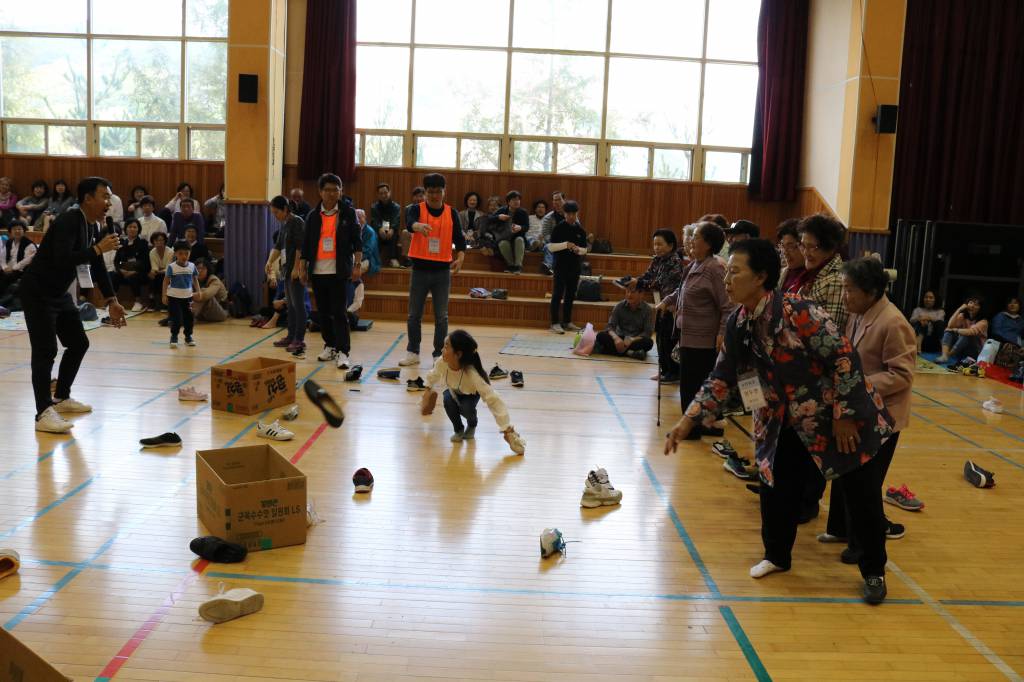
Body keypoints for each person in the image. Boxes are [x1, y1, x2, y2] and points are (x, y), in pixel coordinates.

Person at [664, 239, 895, 604]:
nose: (727, 280)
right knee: (776, 489)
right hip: (779, 420)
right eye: (727, 272)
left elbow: (844, 358)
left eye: (735, 272)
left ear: (761, 277)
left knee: (860, 497)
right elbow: (721, 377)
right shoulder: (740, 322)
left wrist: (846, 415)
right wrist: (688, 421)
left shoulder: (799, 311)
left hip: (835, 420)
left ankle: (874, 572)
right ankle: (776, 556)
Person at [822, 257, 917, 553]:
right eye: (844, 288)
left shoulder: (893, 322)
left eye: (850, 290)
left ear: (872, 290)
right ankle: (840, 529)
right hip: (857, 410)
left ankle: (861, 546)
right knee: (846, 471)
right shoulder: (858, 313)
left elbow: (902, 375)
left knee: (866, 484)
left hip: (883, 416)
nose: (845, 296)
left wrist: (857, 384)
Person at [20, 177, 127, 433]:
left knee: (79, 343)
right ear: (87, 198)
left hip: (58, 294)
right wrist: (97, 250)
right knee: (45, 351)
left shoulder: (91, 226)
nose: (108, 202)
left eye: (110, 197)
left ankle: (62, 397)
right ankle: (43, 412)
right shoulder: (69, 220)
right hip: (38, 292)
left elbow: (97, 264)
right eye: (104, 196)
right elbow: (62, 259)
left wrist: (112, 300)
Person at [660, 222, 733, 437]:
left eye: (696, 237)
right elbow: (681, 291)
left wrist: (721, 333)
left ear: (709, 244)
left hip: (705, 338)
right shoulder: (693, 265)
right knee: (690, 383)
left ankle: (693, 428)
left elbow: (728, 305)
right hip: (688, 335)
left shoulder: (715, 268)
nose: (691, 241)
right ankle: (700, 425)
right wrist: (666, 301)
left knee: (696, 385)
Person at [418, 329, 525, 454]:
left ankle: (472, 424)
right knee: (447, 400)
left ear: (458, 354)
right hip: (453, 391)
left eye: (446, 347)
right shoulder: (442, 362)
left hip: (471, 395)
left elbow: (493, 399)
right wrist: (427, 390)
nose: (442, 350)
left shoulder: (472, 374)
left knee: (466, 408)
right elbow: (434, 374)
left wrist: (507, 429)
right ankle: (458, 430)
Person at [398, 173, 466, 366]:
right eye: (430, 192)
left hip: (442, 272)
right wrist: (418, 226)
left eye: (438, 191)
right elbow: (410, 223)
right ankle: (413, 351)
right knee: (414, 315)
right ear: (425, 192)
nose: (434, 195)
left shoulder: (452, 213)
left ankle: (439, 353)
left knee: (441, 316)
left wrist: (460, 258)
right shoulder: (415, 209)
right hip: (419, 270)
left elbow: (460, 241)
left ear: (444, 192)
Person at [296, 173, 362, 369]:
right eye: (327, 190)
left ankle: (343, 351)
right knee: (323, 312)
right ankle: (330, 344)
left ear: (341, 191)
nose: (332, 193)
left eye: (335, 189)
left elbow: (357, 241)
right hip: (318, 271)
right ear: (320, 192)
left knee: (339, 312)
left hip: (339, 271)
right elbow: (306, 245)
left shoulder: (349, 213)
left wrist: (357, 265)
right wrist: (302, 268)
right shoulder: (313, 216)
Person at [622, 229, 684, 382]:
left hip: (672, 307)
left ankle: (674, 372)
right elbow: (648, 276)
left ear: (670, 245)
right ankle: (664, 370)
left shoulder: (675, 261)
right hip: (659, 304)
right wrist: (634, 281)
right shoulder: (657, 259)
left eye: (660, 244)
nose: (656, 247)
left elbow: (660, 283)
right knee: (660, 339)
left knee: (669, 339)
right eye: (655, 244)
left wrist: (640, 283)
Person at [794, 213, 848, 330]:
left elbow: (833, 332)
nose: (806, 253)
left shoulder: (837, 281)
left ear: (830, 249)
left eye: (812, 247)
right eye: (803, 245)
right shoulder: (812, 274)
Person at [268, 195, 307, 354]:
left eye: (276, 212)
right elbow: (278, 246)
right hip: (286, 269)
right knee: (290, 306)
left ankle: (299, 339)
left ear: (285, 209)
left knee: (298, 305)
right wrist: (269, 262)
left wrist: (297, 268)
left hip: (295, 270)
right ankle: (290, 336)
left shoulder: (297, 222)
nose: (275, 216)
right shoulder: (284, 224)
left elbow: (300, 247)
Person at [548, 200, 588, 334]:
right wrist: (566, 245)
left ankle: (567, 321)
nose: (571, 216)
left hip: (575, 266)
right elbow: (551, 247)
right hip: (560, 266)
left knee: (570, 295)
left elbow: (585, 250)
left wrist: (578, 250)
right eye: (569, 214)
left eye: (574, 214)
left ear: (577, 214)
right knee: (557, 294)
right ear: (564, 214)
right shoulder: (558, 228)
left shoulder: (580, 230)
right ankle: (554, 323)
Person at [595, 288, 655, 358]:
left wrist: (632, 339)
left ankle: (607, 351)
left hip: (635, 340)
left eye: (633, 292)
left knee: (648, 342)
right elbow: (609, 326)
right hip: (620, 338)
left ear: (641, 294)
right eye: (627, 292)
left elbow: (647, 332)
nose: (629, 295)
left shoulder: (647, 310)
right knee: (600, 335)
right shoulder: (619, 306)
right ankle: (630, 353)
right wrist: (616, 338)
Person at [162, 240, 201, 348]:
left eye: (186, 253)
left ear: (190, 253)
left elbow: (195, 279)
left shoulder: (192, 266)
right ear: (175, 254)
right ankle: (174, 336)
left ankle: (188, 337)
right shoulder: (172, 267)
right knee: (176, 318)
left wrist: (198, 291)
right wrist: (164, 295)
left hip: (188, 297)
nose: (184, 256)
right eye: (180, 253)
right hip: (174, 297)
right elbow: (165, 281)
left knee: (189, 317)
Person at [112, 219, 151, 312]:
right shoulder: (121, 243)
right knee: (114, 276)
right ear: (126, 229)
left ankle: (138, 302)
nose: (132, 229)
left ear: (138, 229)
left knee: (133, 277)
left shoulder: (143, 243)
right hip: (124, 271)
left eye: (135, 227)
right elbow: (117, 261)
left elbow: (145, 262)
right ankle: (113, 302)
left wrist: (134, 271)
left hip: (140, 273)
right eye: (130, 227)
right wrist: (121, 270)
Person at [937, 295, 988, 364]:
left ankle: (948, 355)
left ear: (980, 308)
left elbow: (970, 332)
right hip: (962, 348)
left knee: (967, 334)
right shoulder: (963, 316)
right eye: (971, 303)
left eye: (976, 305)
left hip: (975, 351)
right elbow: (950, 325)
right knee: (949, 331)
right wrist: (959, 309)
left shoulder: (983, 322)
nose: (972, 306)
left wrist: (956, 330)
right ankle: (944, 356)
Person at [491, 190, 529, 273]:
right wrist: (498, 217)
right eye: (514, 200)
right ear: (508, 202)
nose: (517, 202)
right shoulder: (502, 210)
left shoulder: (523, 212)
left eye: (518, 199)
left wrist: (520, 227)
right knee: (502, 243)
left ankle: (518, 266)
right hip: (505, 237)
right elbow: (489, 220)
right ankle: (510, 265)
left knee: (519, 239)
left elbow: (526, 227)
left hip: (518, 237)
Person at [369, 182, 405, 268]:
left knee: (394, 235)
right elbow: (374, 220)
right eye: (381, 193)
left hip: (391, 232)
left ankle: (393, 259)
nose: (384, 195)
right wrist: (379, 229)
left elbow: (396, 220)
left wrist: (392, 229)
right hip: (380, 231)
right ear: (378, 195)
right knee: (374, 235)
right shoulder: (374, 207)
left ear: (389, 193)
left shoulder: (396, 207)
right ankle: (375, 259)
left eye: (385, 192)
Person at [0, 223, 37, 303]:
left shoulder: (29, 244)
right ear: (10, 231)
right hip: (8, 268)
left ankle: (3, 301)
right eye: (14, 229)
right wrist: (4, 267)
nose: (17, 231)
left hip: (21, 271)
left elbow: (26, 261)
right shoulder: (9, 242)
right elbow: (2, 256)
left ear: (24, 231)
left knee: (7, 279)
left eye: (19, 229)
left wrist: (12, 268)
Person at [192, 258, 228, 322]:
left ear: (208, 270)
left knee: (203, 293)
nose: (199, 271)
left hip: (221, 312)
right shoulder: (194, 280)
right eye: (197, 268)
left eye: (203, 268)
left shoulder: (214, 279)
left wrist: (189, 295)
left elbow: (207, 294)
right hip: (204, 313)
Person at [539, 191, 566, 275]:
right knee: (548, 247)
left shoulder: (571, 215)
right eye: (554, 200)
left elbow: (577, 230)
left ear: (564, 200)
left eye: (559, 200)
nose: (556, 202)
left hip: (568, 243)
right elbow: (545, 234)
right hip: (554, 243)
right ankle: (548, 266)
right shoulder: (548, 217)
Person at [775, 219, 804, 293]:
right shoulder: (782, 273)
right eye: (783, 246)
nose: (785, 252)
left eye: (790, 246)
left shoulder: (809, 277)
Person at [148, 232, 172, 311]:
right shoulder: (152, 252)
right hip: (159, 273)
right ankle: (153, 302)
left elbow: (169, 268)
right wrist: (154, 272)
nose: (159, 242)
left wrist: (157, 271)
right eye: (156, 240)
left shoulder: (170, 252)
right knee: (152, 276)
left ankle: (165, 304)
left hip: (170, 274)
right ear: (153, 242)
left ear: (165, 241)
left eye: (161, 240)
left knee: (162, 277)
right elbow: (154, 267)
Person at [357, 208, 381, 276]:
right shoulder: (354, 231)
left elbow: (368, 251)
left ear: (364, 218)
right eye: (356, 218)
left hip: (369, 259)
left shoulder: (370, 232)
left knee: (356, 269)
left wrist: (355, 259)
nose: (358, 220)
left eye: (359, 217)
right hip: (356, 258)